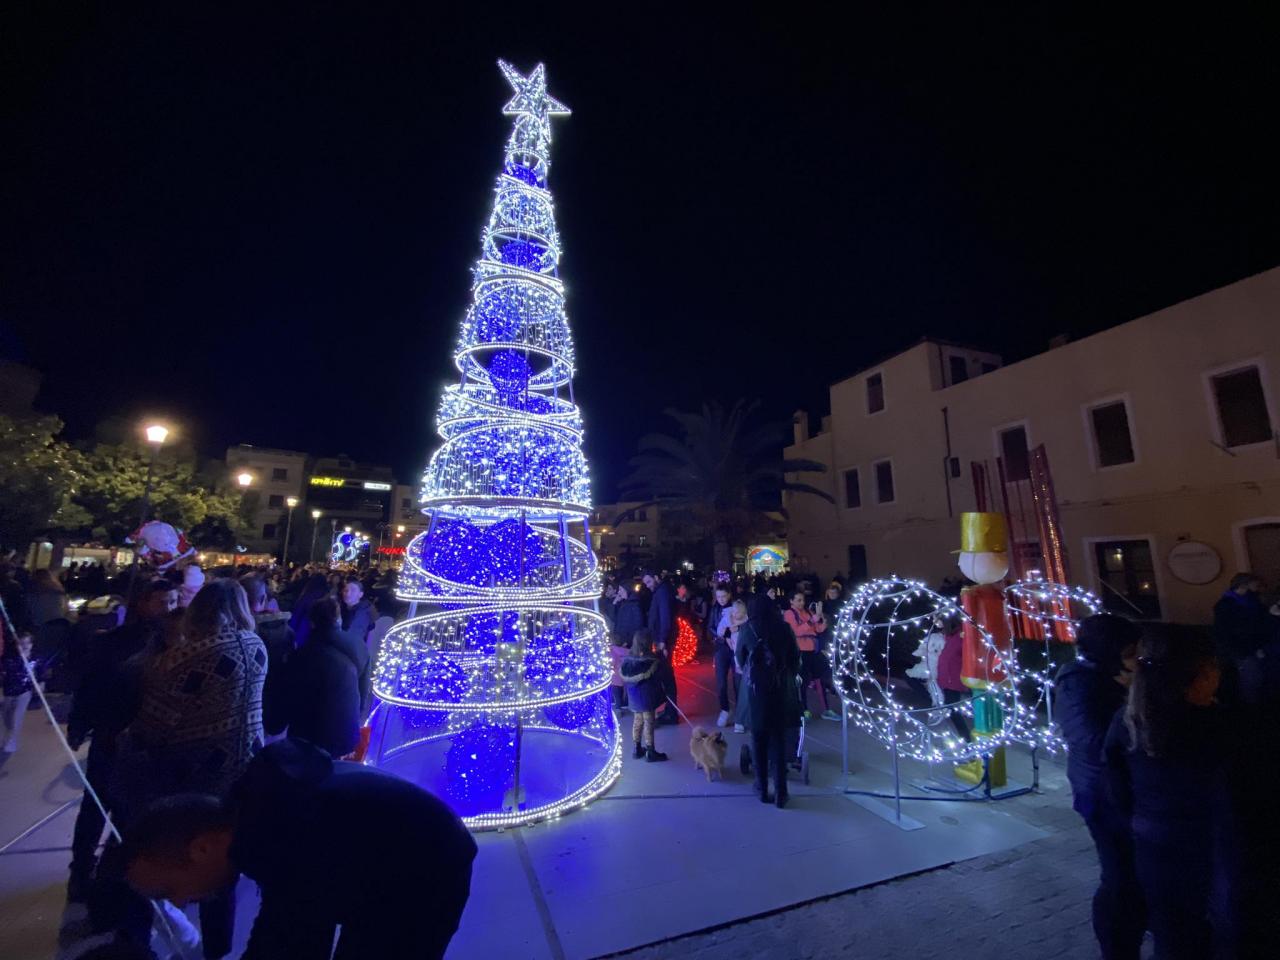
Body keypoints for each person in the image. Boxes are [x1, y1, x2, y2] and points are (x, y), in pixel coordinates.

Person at [122, 738, 476, 959]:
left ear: (200, 848)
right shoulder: (259, 811)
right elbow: (281, 926)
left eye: (168, 891)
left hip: (426, 876)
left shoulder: (282, 833)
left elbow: (296, 940)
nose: (180, 903)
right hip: (390, 868)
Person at [97, 579, 268, 959]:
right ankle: (218, 948)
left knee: (161, 848)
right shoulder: (256, 646)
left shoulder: (185, 658)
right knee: (221, 864)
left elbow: (156, 724)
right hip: (242, 770)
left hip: (190, 774)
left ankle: (133, 936)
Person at [1104, 625, 1234, 959]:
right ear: (1200, 673)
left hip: (1153, 841)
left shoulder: (1129, 721)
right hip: (1213, 847)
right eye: (1214, 666)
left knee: (1173, 933)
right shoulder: (1219, 726)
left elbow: (1116, 787)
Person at [66, 579, 178, 901]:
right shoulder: (115, 642)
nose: (168, 609)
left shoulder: (172, 644)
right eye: (162, 602)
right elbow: (91, 685)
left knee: (129, 813)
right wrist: (80, 723)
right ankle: (81, 871)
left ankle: (114, 878)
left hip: (145, 741)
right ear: (143, 603)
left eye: (172, 602)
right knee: (95, 807)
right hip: (111, 735)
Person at [1056, 613, 1145, 959]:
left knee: (1132, 871)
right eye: (1128, 652)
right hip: (1100, 791)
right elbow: (1090, 739)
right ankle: (1118, 946)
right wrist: (1131, 704)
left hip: (1122, 788)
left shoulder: (1116, 675)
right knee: (1119, 875)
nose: (1136, 659)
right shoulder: (1077, 681)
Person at [269, 597, 362, 757]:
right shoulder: (358, 646)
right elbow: (362, 692)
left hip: (310, 739)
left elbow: (288, 696)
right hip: (346, 734)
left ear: (311, 622)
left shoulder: (304, 655)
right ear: (338, 619)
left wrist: (275, 724)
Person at [742, 593, 802, 807]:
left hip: (757, 693)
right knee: (778, 740)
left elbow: (741, 661)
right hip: (780, 691)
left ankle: (761, 786)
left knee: (758, 740)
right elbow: (795, 659)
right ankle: (781, 791)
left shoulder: (747, 629)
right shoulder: (784, 628)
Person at [243, 576, 294, 741]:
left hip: (243, 711)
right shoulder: (286, 631)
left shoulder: (237, 633)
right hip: (275, 706)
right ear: (264, 599)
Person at [783, 590, 838, 720]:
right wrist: (812, 620)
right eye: (798, 600)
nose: (802, 603)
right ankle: (803, 710)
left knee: (820, 679)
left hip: (813, 650)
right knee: (802, 681)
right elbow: (796, 631)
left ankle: (826, 709)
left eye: (802, 600)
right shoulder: (789, 614)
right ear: (791, 601)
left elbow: (817, 629)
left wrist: (822, 620)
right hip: (800, 651)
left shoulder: (808, 612)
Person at [619, 629, 668, 762]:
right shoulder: (651, 662)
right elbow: (658, 678)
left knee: (637, 721)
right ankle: (650, 751)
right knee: (649, 723)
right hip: (647, 699)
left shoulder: (627, 662)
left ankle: (636, 748)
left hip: (634, 699)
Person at [1212, 572, 1276, 664]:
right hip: (1241, 648)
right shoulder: (1225, 605)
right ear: (1244, 585)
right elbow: (1224, 630)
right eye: (1256, 585)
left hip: (1253, 644)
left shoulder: (1251, 599)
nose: (1258, 588)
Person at [642, 572, 679, 724]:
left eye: (649, 581)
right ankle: (670, 710)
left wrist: (662, 640)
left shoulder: (663, 592)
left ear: (656, 577)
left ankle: (671, 713)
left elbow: (665, 617)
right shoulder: (661, 591)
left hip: (663, 640)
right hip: (661, 639)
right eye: (646, 583)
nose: (648, 585)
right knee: (665, 675)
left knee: (667, 676)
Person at [340, 579, 375, 648]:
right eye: (345, 590)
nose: (348, 593)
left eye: (353, 590)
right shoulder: (343, 607)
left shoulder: (361, 613)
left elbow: (351, 638)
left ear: (360, 594)